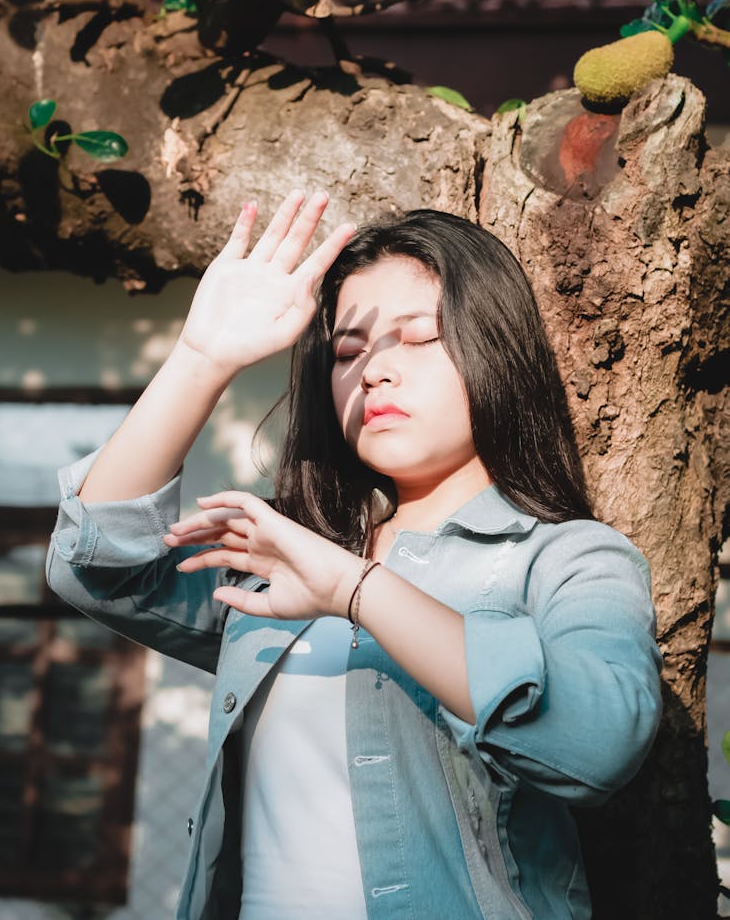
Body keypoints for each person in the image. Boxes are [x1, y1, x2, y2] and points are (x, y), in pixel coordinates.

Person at [47, 190, 662, 920]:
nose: (373, 370)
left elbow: (598, 745)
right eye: (348, 350)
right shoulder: (290, 553)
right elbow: (97, 565)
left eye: (419, 335)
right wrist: (199, 359)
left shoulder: (567, 558)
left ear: (496, 345)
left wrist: (353, 587)